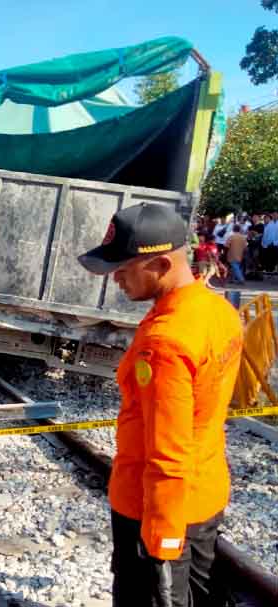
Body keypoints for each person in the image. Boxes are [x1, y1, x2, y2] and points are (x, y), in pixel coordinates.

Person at [78, 203, 243, 607]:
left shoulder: (166, 341)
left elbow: (168, 452)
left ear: (161, 264)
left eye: (123, 267)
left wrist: (162, 543)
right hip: (203, 494)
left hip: (154, 511)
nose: (115, 277)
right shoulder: (217, 311)